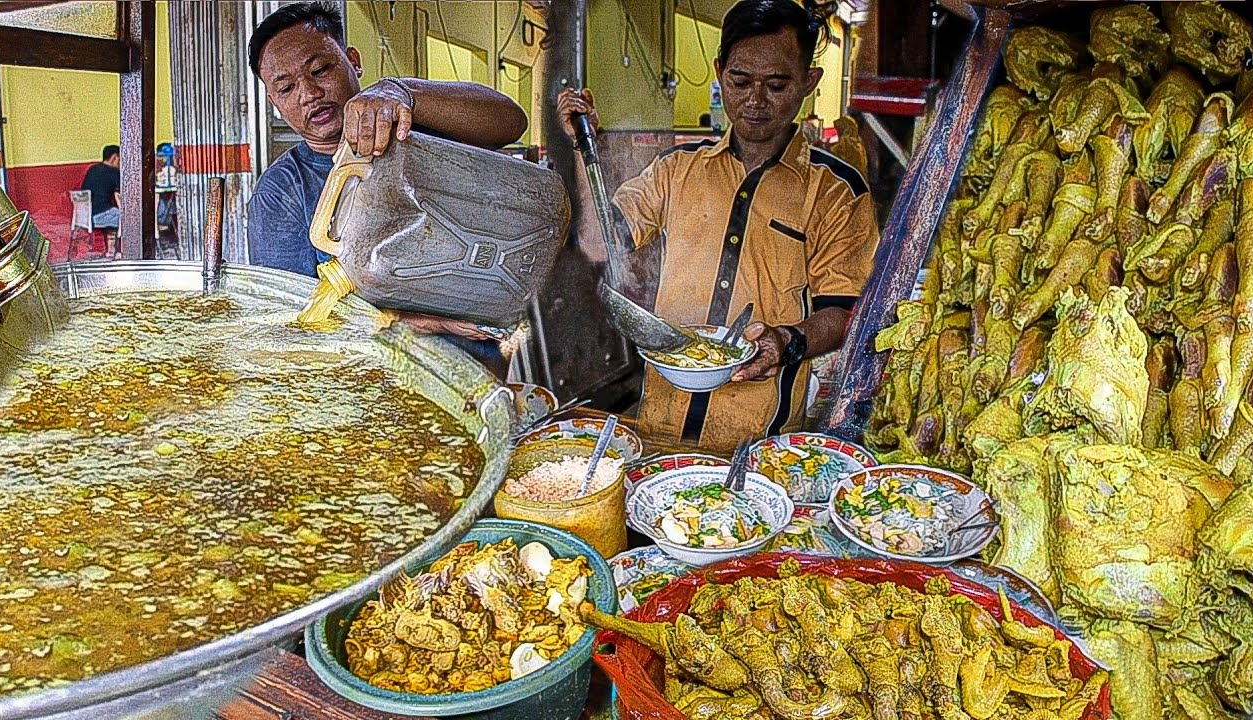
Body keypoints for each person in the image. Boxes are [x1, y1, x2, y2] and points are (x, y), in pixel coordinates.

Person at [558, 0, 879, 452]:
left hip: (759, 442)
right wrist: (583, 148)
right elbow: (597, 241)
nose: (755, 101)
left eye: (777, 85)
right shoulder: (676, 169)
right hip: (658, 427)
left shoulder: (836, 191)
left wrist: (786, 341)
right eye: (740, 81)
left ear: (809, 81)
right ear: (719, 70)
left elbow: (844, 312)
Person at [246, 2, 527, 372]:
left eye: (320, 69)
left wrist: (402, 91)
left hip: (479, 365)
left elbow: (511, 121)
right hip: (371, 379)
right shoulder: (280, 192)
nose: (309, 93)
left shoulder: (418, 132)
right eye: (286, 88)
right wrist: (431, 322)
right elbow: (300, 317)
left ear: (353, 60)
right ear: (274, 102)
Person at [79, 144, 121, 257]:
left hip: (84, 217)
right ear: (114, 157)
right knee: (128, 218)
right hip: (100, 216)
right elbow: (119, 196)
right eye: (120, 159)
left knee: (113, 214)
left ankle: (110, 251)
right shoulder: (113, 172)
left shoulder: (92, 169)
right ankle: (118, 251)